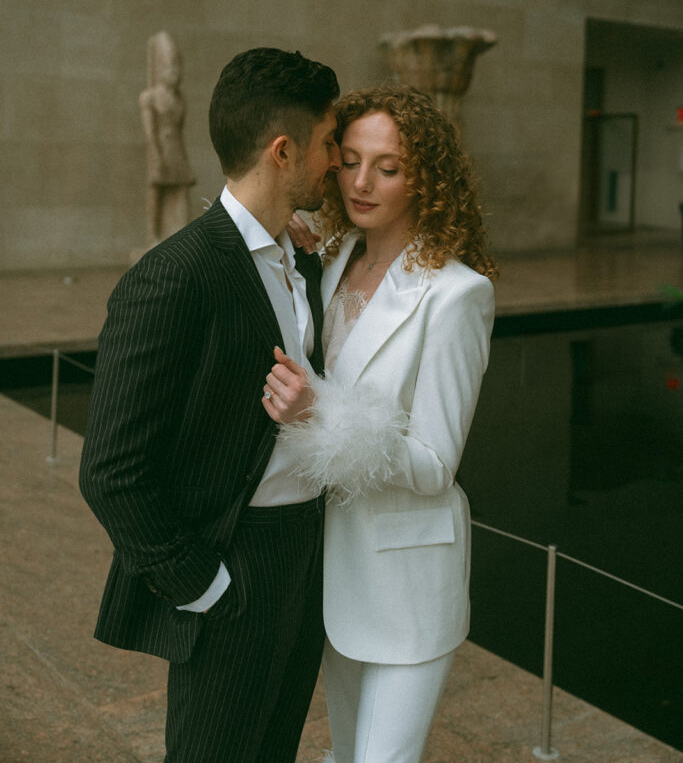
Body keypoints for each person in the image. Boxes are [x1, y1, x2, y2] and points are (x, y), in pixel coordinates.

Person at [79, 47, 341, 763]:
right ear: (283, 152)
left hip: (303, 555)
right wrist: (204, 587)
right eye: (328, 145)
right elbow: (110, 470)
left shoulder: (300, 257)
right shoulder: (173, 277)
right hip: (234, 563)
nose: (337, 164)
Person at [262, 85, 496, 763]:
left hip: (406, 582)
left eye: (387, 167)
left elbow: (432, 465)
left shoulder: (455, 295)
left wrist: (319, 413)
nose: (362, 182)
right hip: (331, 576)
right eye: (350, 160)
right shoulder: (330, 262)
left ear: (424, 179)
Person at [139, 31, 196, 247]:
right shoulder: (149, 97)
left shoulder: (180, 98)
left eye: (177, 69)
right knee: (156, 190)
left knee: (181, 190)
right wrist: (156, 153)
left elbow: (180, 128)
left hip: (176, 148)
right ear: (161, 70)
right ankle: (153, 234)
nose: (175, 74)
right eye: (170, 69)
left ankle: (180, 233)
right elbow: (149, 131)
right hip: (159, 147)